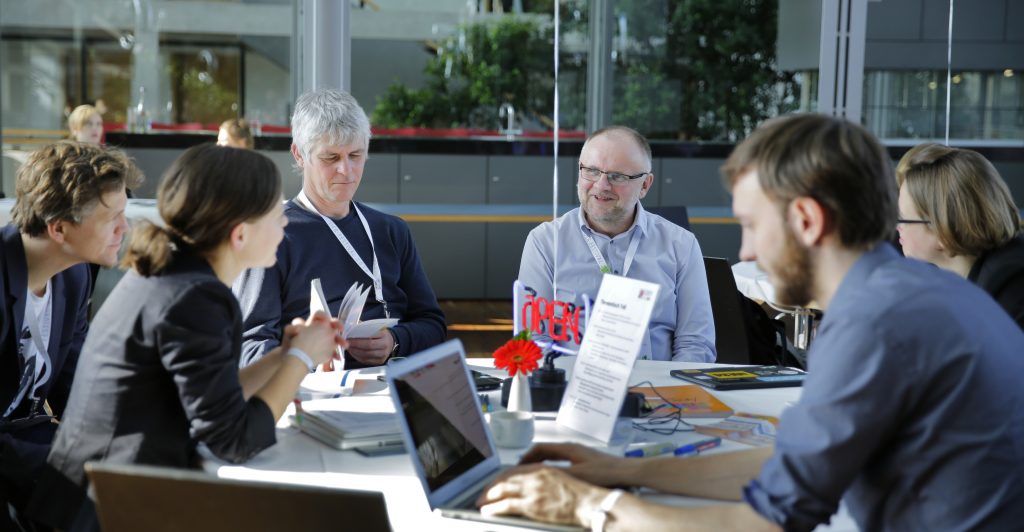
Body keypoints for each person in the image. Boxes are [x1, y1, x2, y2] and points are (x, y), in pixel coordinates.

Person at [477, 115, 1024, 530]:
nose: (745, 250)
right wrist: (621, 472)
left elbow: (765, 521)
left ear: (806, 221)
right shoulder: (904, 294)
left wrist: (589, 505)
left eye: (751, 225)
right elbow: (788, 465)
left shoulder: (874, 325)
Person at [28, 144, 344, 531]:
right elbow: (235, 440)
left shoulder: (172, 276)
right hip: (104, 515)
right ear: (240, 234)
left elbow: (218, 401)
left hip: (89, 501)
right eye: (276, 214)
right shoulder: (195, 297)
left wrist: (285, 353)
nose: (285, 225)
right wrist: (302, 360)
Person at [233, 88, 446, 369]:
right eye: (331, 158)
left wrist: (396, 340)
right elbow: (248, 346)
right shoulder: (273, 234)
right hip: (317, 394)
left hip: (398, 384)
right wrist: (305, 357)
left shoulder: (391, 231)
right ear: (299, 154)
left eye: (356, 155)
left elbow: (434, 327)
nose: (346, 170)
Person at [0, 141, 141, 528]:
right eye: (112, 217)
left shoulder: (74, 275)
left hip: (30, 442)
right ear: (59, 228)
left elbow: (75, 380)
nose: (124, 229)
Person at [517, 126, 715, 362]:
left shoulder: (681, 245)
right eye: (591, 171)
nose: (601, 185)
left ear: (645, 185)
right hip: (571, 387)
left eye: (617, 176)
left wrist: (669, 392)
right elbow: (534, 340)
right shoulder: (546, 242)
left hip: (658, 389)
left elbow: (695, 343)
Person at [896, 143, 1024, 328]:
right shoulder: (966, 281)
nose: (897, 227)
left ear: (942, 230)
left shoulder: (1007, 295)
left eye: (904, 219)